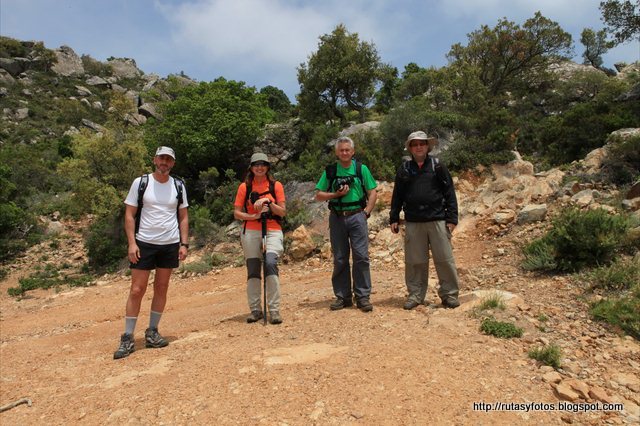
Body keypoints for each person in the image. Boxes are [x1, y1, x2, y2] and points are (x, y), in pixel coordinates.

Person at [114, 146, 189, 360]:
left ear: (173, 163)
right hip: (144, 242)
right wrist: (131, 243)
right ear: (155, 160)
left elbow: (183, 216)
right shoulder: (141, 183)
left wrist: (184, 244)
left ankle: (152, 332)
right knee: (137, 289)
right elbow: (129, 215)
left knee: (162, 287)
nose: (165, 162)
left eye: (169, 159)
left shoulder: (179, 186)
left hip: (169, 243)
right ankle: (128, 336)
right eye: (162, 158)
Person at [390, 130, 461, 310]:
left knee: (444, 259)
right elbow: (397, 195)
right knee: (415, 262)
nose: (419, 147)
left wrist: (452, 218)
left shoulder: (438, 166)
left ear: (427, 146)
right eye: (415, 144)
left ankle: (450, 295)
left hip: (437, 219)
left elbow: (449, 192)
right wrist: (394, 217)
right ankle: (415, 295)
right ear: (410, 148)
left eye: (422, 143)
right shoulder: (405, 169)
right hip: (414, 221)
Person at [315, 136, 378, 312]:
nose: (344, 153)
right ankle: (343, 297)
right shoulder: (330, 171)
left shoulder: (360, 169)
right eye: (341, 150)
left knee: (361, 257)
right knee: (340, 258)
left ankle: (363, 296)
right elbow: (319, 195)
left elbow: (372, 192)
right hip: (337, 217)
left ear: (353, 152)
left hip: (357, 215)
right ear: (337, 152)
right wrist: (336, 195)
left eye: (347, 150)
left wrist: (366, 212)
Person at [233, 152, 287, 324]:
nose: (259, 167)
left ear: (267, 167)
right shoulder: (244, 187)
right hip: (251, 231)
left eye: (263, 164)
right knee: (253, 269)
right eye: (256, 164)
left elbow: (283, 212)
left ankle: (274, 309)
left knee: (271, 263)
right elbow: (237, 213)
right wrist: (254, 216)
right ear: (251, 168)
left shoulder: (275, 185)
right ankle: (255, 309)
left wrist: (268, 203)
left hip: (272, 229)